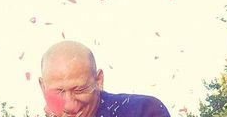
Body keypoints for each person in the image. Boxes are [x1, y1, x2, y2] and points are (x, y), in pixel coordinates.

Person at [39, 41, 170, 117]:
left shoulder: (143, 111)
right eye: (58, 92)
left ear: (98, 80)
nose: (69, 106)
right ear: (43, 87)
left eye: (79, 90)